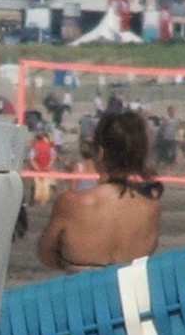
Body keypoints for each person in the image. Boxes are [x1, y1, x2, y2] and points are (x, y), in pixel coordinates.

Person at [36, 107, 163, 271]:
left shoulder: (72, 203)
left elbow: (46, 255)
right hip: (128, 296)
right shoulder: (151, 208)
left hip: (82, 294)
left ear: (101, 153)